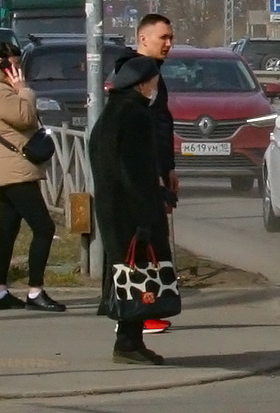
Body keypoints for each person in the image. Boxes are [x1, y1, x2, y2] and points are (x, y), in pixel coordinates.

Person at [90, 55, 172, 366]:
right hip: (133, 212)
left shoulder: (112, 112)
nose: (156, 87)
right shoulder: (135, 116)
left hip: (113, 209)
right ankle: (127, 343)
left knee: (127, 274)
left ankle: (131, 341)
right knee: (138, 275)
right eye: (153, 81)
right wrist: (145, 217)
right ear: (142, 84)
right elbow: (135, 172)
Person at [0, 42, 66, 312]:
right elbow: (25, 117)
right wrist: (23, 88)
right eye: (14, 62)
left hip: (8, 167)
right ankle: (35, 292)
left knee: (8, 229)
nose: (18, 68)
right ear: (1, 63)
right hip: (15, 169)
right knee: (44, 228)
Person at [113, 13, 177, 335]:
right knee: (142, 247)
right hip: (140, 180)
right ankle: (136, 314)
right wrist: (155, 174)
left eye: (171, 38)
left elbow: (162, 124)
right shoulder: (135, 74)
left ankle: (141, 314)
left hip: (155, 171)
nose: (168, 44)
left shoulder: (153, 73)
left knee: (151, 244)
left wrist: (168, 168)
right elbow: (142, 133)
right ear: (143, 39)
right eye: (163, 37)